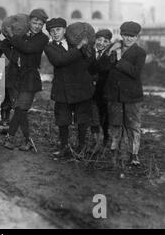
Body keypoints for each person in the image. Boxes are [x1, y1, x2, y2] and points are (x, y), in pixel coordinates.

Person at [44, 18, 95, 157]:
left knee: (82, 119)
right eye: (51, 31)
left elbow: (90, 61)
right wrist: (79, 48)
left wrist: (88, 48)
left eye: (58, 30)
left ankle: (82, 146)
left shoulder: (75, 41)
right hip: (63, 90)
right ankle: (63, 147)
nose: (55, 33)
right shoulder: (49, 47)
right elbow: (59, 61)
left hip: (81, 87)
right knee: (63, 120)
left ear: (65, 30)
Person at [1, 9, 49, 151]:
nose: (37, 26)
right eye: (35, 22)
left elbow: (28, 49)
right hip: (15, 77)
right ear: (29, 22)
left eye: (40, 24)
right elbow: (4, 45)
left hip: (30, 78)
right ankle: (21, 140)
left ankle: (18, 139)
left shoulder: (42, 38)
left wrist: (12, 36)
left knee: (21, 108)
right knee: (19, 109)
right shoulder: (22, 35)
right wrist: (14, 56)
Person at [103, 21, 146, 167]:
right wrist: (110, 51)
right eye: (126, 36)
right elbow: (105, 67)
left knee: (133, 126)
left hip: (132, 96)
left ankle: (134, 154)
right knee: (115, 123)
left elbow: (135, 72)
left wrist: (120, 57)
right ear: (121, 35)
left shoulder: (140, 53)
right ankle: (114, 151)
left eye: (132, 36)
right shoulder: (114, 49)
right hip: (114, 95)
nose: (128, 39)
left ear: (136, 37)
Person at [87, 29, 113, 150]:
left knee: (104, 116)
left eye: (105, 41)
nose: (101, 43)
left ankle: (106, 138)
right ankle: (95, 141)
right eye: (99, 40)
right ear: (95, 40)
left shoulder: (111, 55)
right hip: (90, 91)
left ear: (109, 43)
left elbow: (104, 68)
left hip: (104, 92)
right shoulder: (89, 52)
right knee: (92, 116)